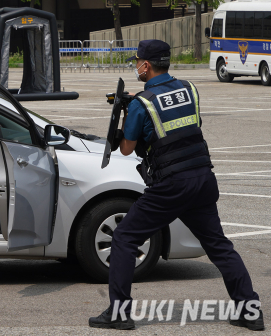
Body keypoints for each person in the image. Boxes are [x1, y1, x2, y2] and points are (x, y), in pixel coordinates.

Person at [89, 39, 264, 331]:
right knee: (219, 246)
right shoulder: (189, 89)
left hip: (171, 184)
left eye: (137, 62)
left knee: (124, 238)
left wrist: (128, 111)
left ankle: (119, 313)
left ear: (146, 65)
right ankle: (250, 311)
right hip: (202, 178)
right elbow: (175, 117)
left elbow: (127, 149)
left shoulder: (141, 104)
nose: (135, 66)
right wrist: (137, 102)